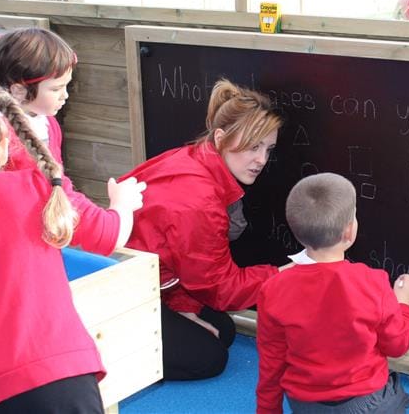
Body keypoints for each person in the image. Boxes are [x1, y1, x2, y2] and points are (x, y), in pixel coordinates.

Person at [0, 85, 145, 413]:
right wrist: (122, 207)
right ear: (2, 144)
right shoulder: (35, 187)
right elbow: (107, 234)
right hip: (62, 370)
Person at [120, 78, 286, 381]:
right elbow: (219, 288)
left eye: (268, 149)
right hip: (119, 292)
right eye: (252, 147)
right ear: (221, 137)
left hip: (150, 281)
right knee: (209, 358)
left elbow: (184, 265)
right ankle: (105, 354)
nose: (261, 160)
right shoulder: (199, 201)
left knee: (223, 330)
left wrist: (181, 307)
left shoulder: (195, 158)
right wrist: (284, 278)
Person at [256, 173, 409, 414]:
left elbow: (272, 360)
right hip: (363, 404)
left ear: (296, 230)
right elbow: (397, 345)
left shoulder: (272, 289)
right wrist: (404, 305)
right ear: (349, 232)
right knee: (397, 391)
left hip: (304, 404)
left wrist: (267, 410)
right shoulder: (373, 282)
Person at [0, 27, 142, 250]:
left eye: (67, 86)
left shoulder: (47, 123)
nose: (65, 95)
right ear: (19, 91)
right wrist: (122, 205)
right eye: (57, 88)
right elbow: (107, 235)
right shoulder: (13, 149)